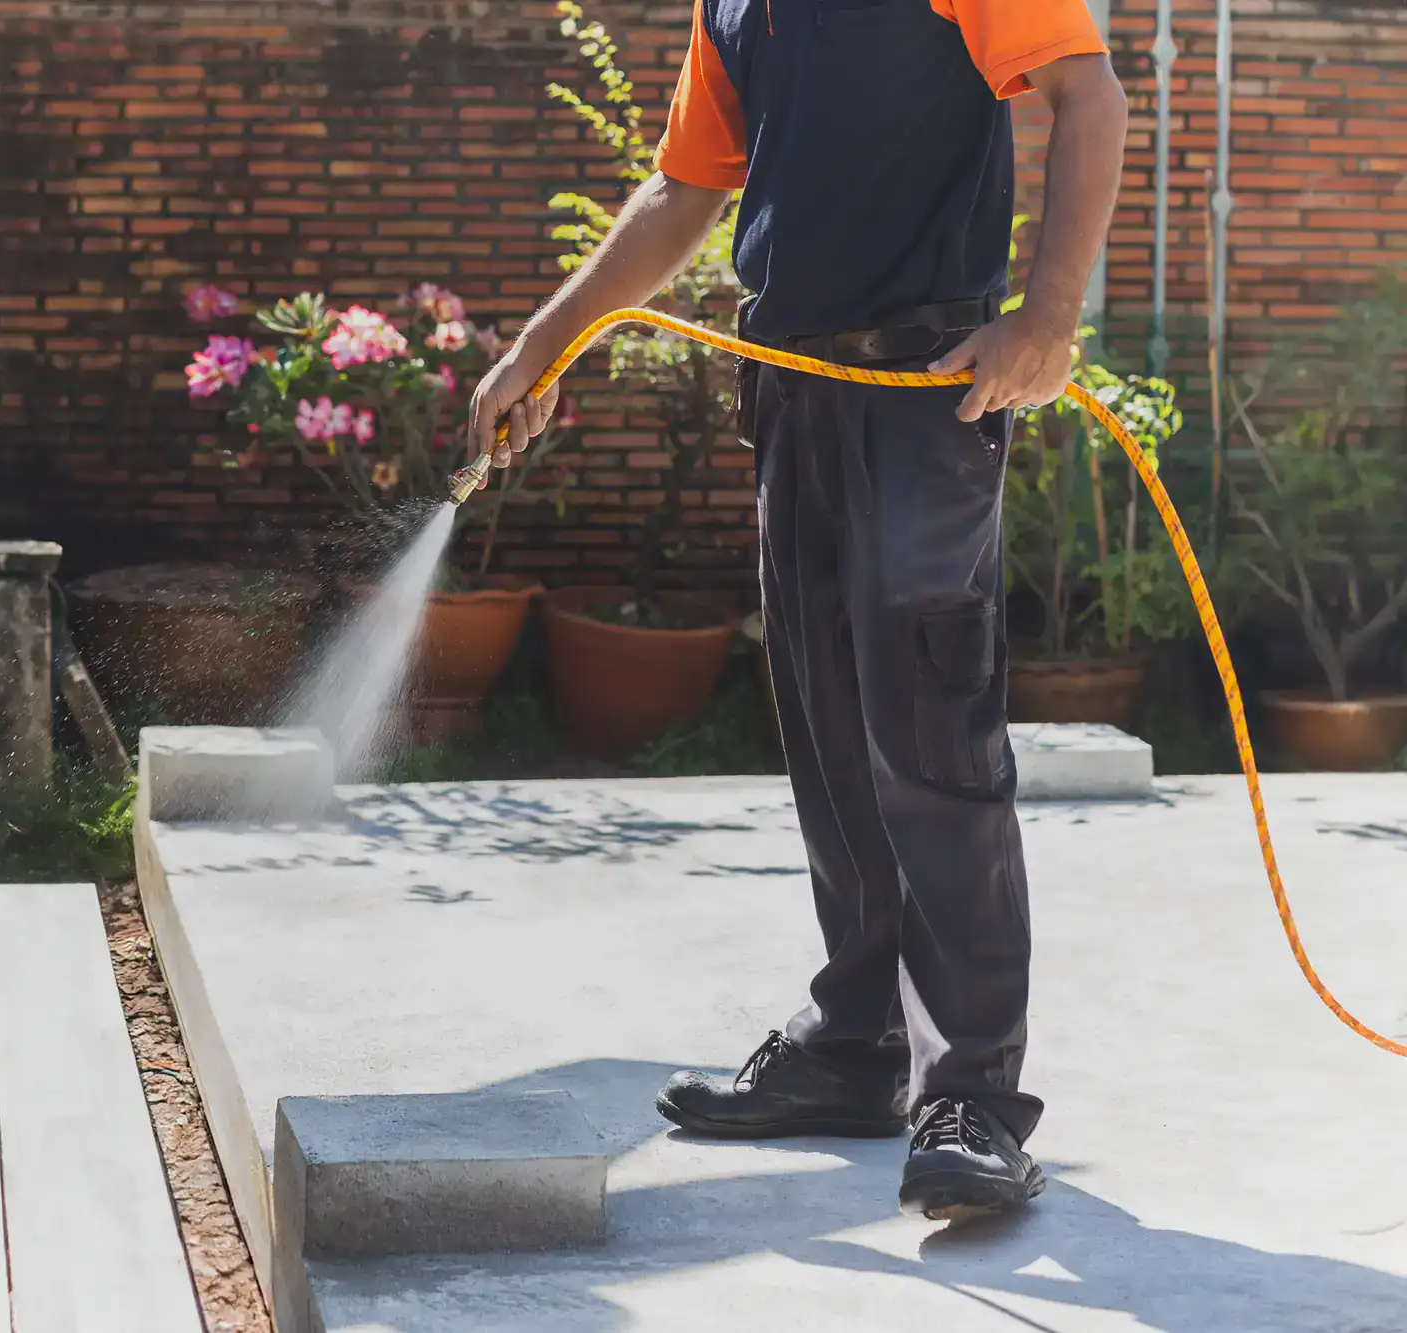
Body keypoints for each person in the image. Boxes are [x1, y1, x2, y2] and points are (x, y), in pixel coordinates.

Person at [467, 0, 1126, 1220]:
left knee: (929, 738)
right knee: (827, 734)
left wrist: (1044, 318)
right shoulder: (737, 8)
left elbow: (1088, 95)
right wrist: (542, 346)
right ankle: (852, 1047)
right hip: (790, 396)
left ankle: (970, 1096)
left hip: (930, 393)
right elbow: (680, 190)